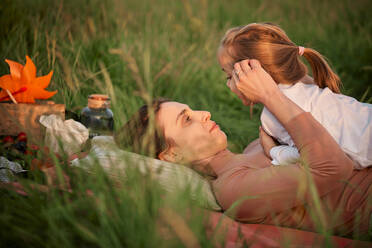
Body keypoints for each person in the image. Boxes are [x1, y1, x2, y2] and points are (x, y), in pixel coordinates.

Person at [114, 59, 371, 240]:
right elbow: (335, 167)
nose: (204, 113)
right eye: (187, 119)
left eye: (193, 110)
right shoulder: (233, 189)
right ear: (171, 155)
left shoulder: (254, 146)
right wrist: (270, 96)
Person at [218, 23, 372, 169]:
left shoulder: (273, 114)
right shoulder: (307, 85)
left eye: (229, 77)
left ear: (249, 71)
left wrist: (272, 150)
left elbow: (309, 155)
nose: (228, 85)